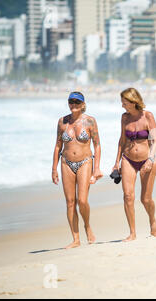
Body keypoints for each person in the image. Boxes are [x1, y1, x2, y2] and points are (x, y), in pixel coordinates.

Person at [52, 92, 103, 249]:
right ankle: (75, 239)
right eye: (70, 101)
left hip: (85, 162)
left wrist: (97, 168)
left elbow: (97, 145)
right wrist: (54, 168)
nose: (73, 104)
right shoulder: (62, 122)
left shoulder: (90, 121)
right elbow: (58, 145)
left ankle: (87, 226)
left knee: (82, 200)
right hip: (66, 163)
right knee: (70, 202)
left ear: (82, 104)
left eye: (76, 102)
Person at [113, 88, 156, 242]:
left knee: (145, 199)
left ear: (133, 102)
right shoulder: (124, 117)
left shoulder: (148, 116)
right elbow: (122, 140)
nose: (122, 106)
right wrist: (116, 163)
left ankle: (152, 220)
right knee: (127, 196)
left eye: (124, 103)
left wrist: (150, 159)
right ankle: (132, 233)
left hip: (147, 159)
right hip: (128, 159)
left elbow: (155, 140)